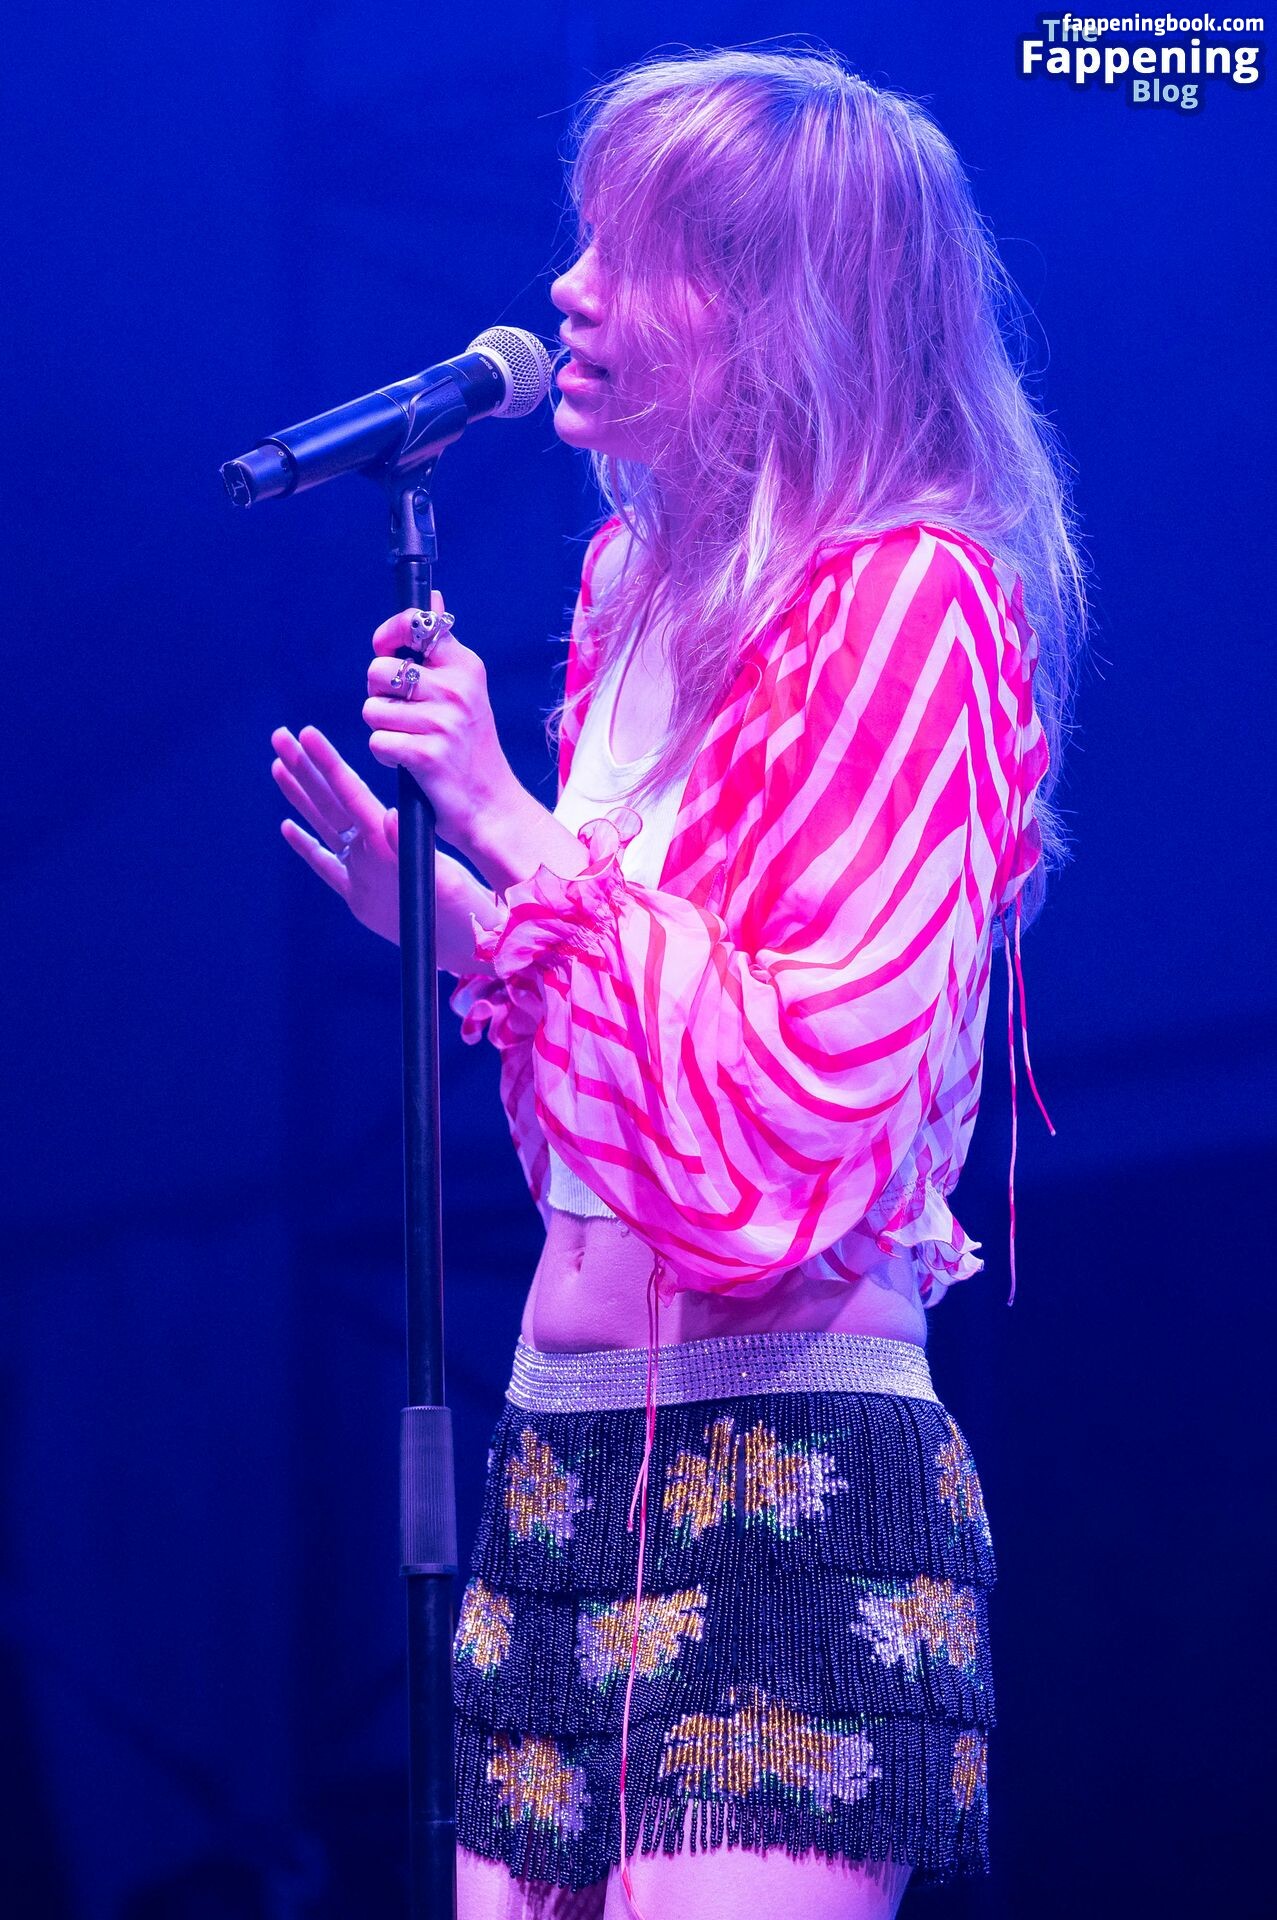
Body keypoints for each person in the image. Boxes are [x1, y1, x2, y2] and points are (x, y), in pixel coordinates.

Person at [269, 45, 1083, 1920]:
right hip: (560, 1453)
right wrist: (454, 919)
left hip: (789, 1453)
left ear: (772, 305)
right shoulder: (626, 598)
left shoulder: (914, 604)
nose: (566, 294)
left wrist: (508, 824)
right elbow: (635, 1070)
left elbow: (811, 1091)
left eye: (627, 256)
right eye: (580, 243)